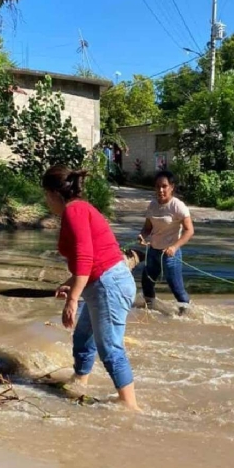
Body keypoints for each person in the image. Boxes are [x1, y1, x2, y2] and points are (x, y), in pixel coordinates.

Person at [43, 165, 138, 410]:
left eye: (45, 196)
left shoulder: (74, 211)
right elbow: (92, 258)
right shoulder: (79, 209)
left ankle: (130, 406)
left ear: (53, 193)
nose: (46, 202)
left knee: (110, 348)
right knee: (84, 337)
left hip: (108, 285)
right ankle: (80, 382)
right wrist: (70, 284)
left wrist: (73, 299)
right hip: (103, 282)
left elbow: (85, 256)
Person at [138, 170, 195, 314]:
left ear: (172, 187)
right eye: (157, 186)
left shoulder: (178, 206)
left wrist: (174, 247)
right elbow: (147, 228)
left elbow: (189, 230)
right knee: (147, 283)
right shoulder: (152, 205)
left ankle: (186, 316)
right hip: (153, 252)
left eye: (164, 186)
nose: (161, 190)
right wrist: (142, 236)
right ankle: (149, 312)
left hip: (170, 255)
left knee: (176, 288)